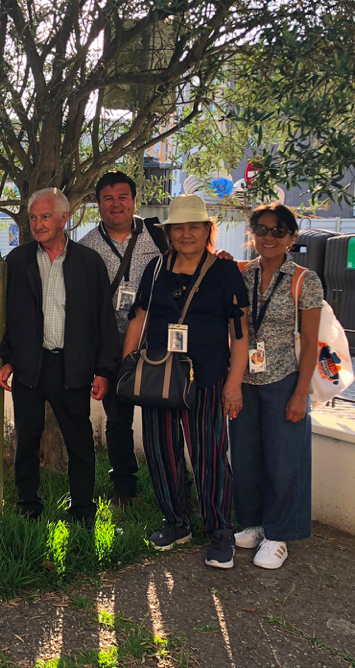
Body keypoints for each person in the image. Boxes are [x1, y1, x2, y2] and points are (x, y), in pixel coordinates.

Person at [122, 194, 249, 569]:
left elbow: (240, 333)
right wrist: (127, 369)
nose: (186, 234)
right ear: (169, 233)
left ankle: (220, 530)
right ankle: (176, 522)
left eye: (194, 226)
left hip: (207, 378)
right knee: (161, 453)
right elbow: (138, 319)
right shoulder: (155, 269)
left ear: (207, 230)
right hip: (159, 378)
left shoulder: (224, 271)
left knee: (210, 456)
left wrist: (233, 384)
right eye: (179, 228)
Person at [0, 188, 120, 525]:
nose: (38, 224)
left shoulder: (88, 262)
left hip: (72, 365)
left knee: (79, 441)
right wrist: (8, 358)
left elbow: (103, 320)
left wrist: (103, 369)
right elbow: (7, 316)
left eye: (45, 217)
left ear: (64, 218)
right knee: (27, 438)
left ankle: (82, 511)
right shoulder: (17, 261)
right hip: (30, 364)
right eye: (33, 218)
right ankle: (28, 507)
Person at [230, 203, 322, 569]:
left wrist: (301, 393)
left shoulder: (304, 280)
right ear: (251, 232)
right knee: (246, 456)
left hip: (284, 379)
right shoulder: (241, 273)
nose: (269, 237)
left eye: (278, 231)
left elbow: (311, 343)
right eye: (262, 229)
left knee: (285, 460)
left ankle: (280, 533)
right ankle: (254, 523)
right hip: (245, 379)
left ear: (291, 238)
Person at [78, 171, 167, 507]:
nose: (116, 204)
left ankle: (172, 485)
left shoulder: (158, 236)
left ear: (134, 200)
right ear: (98, 204)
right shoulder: (86, 247)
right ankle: (124, 488)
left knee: (162, 417)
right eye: (108, 198)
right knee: (118, 420)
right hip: (111, 347)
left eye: (123, 197)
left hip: (156, 343)